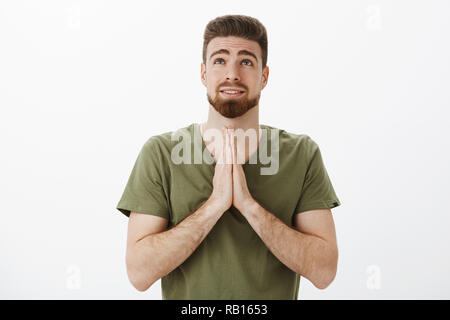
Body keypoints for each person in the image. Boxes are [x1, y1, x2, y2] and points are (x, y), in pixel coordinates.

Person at [116, 14, 341, 300]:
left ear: (264, 76)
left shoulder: (302, 154)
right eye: (220, 61)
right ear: (203, 73)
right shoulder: (160, 153)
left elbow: (324, 272)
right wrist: (215, 205)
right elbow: (139, 273)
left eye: (246, 61)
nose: (232, 73)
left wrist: (248, 205)